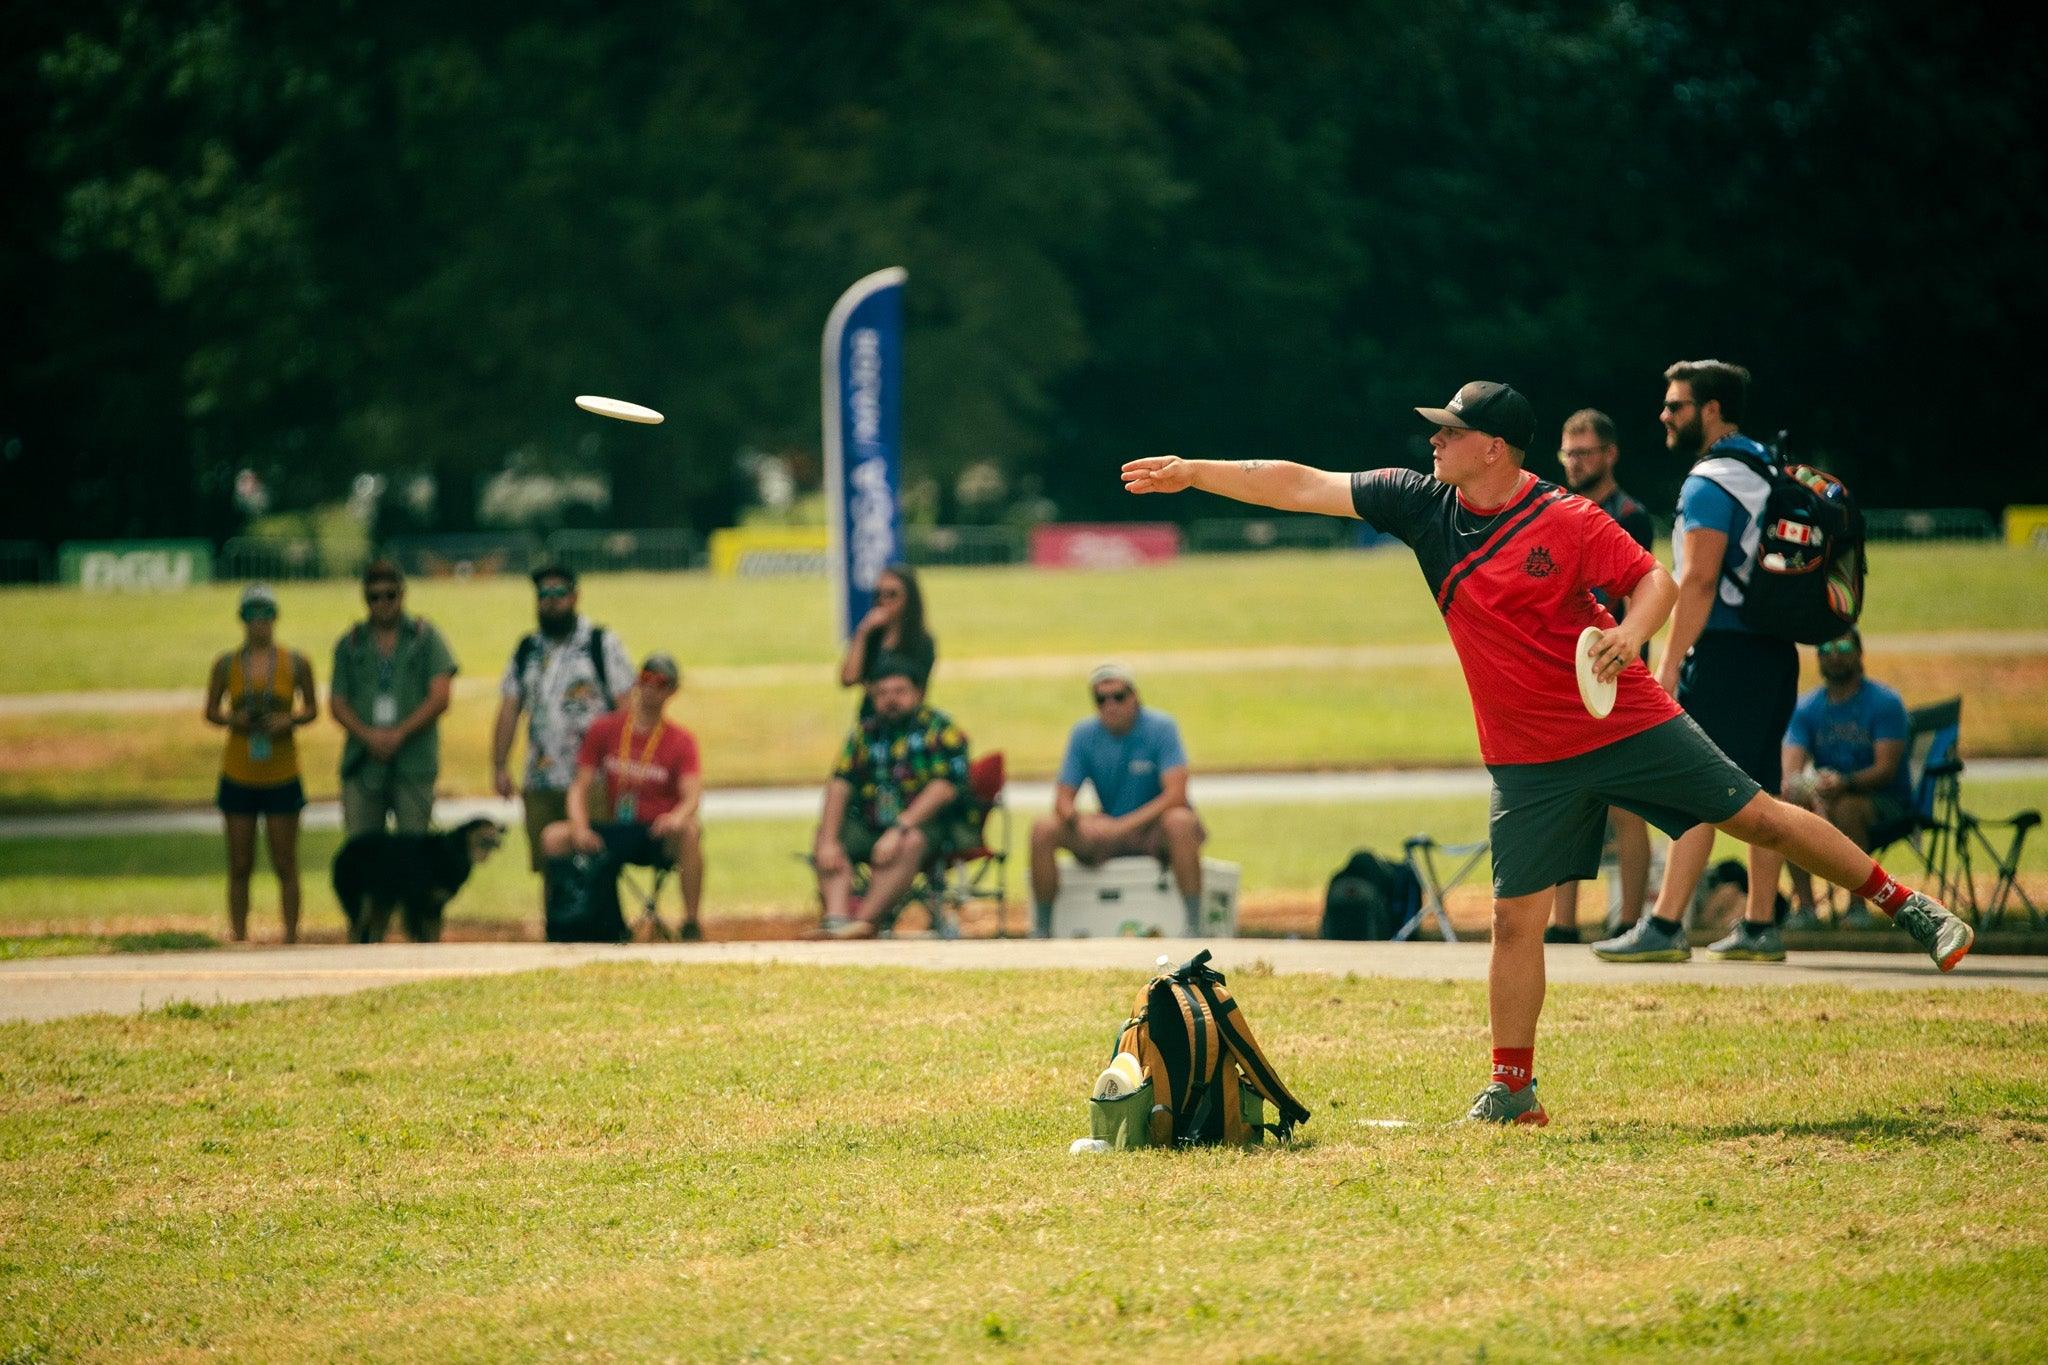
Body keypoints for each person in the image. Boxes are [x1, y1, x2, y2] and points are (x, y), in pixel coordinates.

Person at [1120, 378, 1973, 1126]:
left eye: (1449, 430)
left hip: (1625, 724)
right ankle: (1512, 1090)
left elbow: (1656, 582)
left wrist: (1632, 637)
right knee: (1513, 918)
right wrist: (1195, 470)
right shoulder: (1423, 505)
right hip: (1525, 758)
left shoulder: (1564, 518)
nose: (1433, 440)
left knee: (1760, 818)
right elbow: (1302, 484)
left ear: (1492, 446)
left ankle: (1909, 905)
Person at [1592, 360, 1802, 965]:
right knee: (1765, 786)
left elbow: (1700, 580)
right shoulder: (1764, 466)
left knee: (1700, 782)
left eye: (1676, 405)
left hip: (1726, 650)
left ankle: (1664, 923)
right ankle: (1760, 922)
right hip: (1772, 647)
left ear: (1710, 410)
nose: (1664, 415)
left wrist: (1672, 662)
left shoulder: (1710, 480)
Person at [1548, 409, 1657, 944]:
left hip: (1613, 668)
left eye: (1585, 452)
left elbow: (1631, 593)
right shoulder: (1557, 510)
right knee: (1566, 798)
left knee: (1624, 802)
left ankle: (1631, 919)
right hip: (1560, 672)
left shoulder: (1630, 515)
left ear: (1610, 454)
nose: (1574, 462)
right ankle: (1562, 922)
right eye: (1568, 452)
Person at [491, 564, 634, 900]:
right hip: (541, 777)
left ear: (574, 596)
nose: (551, 601)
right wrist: (499, 765)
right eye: (543, 594)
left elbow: (626, 708)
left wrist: (624, 766)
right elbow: (510, 708)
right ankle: (557, 931)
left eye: (558, 593)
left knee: (596, 857)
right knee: (548, 864)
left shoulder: (600, 643)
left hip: (592, 779)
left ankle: (602, 928)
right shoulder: (526, 650)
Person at [1029, 663, 1205, 937]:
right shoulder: (1084, 734)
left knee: (1181, 821)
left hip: (1153, 830)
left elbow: (1176, 794)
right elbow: (1062, 799)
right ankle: (1042, 929)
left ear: (1134, 696)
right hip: (1108, 830)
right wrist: (1078, 820)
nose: (1110, 705)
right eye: (1101, 699)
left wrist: (1122, 826)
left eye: (1118, 696)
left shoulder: (1161, 728)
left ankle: (1194, 925)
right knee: (1043, 829)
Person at [541, 652, 705, 940]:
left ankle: (691, 922)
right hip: (614, 828)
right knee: (553, 836)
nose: (651, 688)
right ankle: (559, 920)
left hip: (653, 831)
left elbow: (692, 796)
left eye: (660, 683)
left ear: (672, 691)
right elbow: (580, 786)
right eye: (645, 679)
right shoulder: (606, 729)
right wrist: (579, 826)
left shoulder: (681, 740)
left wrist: (676, 817)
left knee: (690, 831)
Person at [811, 664, 976, 939]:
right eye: (882, 693)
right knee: (828, 838)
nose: (891, 700)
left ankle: (864, 922)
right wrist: (828, 839)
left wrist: (900, 827)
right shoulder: (865, 733)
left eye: (900, 691)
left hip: (929, 826)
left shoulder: (940, 730)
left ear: (919, 693)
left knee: (907, 842)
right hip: (872, 821)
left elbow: (945, 788)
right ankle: (837, 921)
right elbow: (840, 782)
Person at [205, 583, 318, 942]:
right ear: (242, 620)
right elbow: (210, 711)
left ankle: (291, 935)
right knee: (239, 863)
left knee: (285, 861)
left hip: (282, 772)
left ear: (275, 618)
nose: (260, 623)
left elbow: (313, 708)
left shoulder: (295, 663)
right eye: (252, 615)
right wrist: (233, 720)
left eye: (266, 614)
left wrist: (290, 721)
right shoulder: (226, 665)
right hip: (239, 771)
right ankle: (238, 933)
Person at [1780, 629, 1909, 930]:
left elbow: (1885, 770)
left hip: (1886, 801)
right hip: (1826, 796)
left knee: (1847, 808)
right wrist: (1804, 789)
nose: (1834, 654)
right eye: (1825, 647)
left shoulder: (1885, 703)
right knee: (1788, 807)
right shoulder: (1807, 708)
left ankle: (1857, 907)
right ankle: (1806, 908)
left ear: (1859, 652)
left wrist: (1845, 782)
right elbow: (1791, 769)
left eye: (1842, 646)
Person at [330, 561, 457, 837]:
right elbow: (337, 702)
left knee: (413, 853)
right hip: (363, 762)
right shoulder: (351, 643)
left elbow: (441, 696)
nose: (383, 603)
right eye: (374, 597)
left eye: (390, 595)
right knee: (364, 854)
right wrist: (368, 736)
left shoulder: (425, 637)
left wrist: (400, 733)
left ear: (402, 593)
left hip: (414, 762)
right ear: (365, 598)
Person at [837, 562, 937, 714]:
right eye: (879, 594)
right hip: (872, 719)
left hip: (906, 718)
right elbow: (848, 678)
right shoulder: (872, 636)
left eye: (892, 594)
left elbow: (919, 691)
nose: (885, 601)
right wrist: (863, 632)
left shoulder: (921, 641)